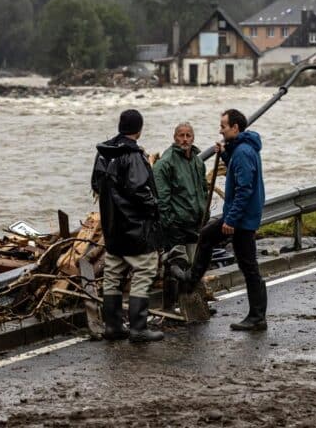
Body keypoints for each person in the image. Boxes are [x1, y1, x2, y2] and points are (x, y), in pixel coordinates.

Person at [182, 109, 267, 331]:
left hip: (241, 219)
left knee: (245, 263)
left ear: (235, 128)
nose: (220, 130)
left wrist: (231, 219)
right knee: (244, 262)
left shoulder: (243, 152)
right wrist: (226, 153)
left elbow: (244, 189)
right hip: (243, 216)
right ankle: (257, 316)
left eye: (223, 126)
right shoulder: (241, 149)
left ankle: (190, 281)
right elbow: (238, 172)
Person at [91, 109, 164, 342]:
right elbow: (139, 190)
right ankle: (139, 328)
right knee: (144, 271)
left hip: (112, 227)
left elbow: (96, 184)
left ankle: (113, 326)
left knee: (113, 274)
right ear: (139, 130)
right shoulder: (133, 156)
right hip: (135, 228)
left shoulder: (104, 154)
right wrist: (155, 207)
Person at [153, 122, 208, 300]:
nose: (185, 139)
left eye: (188, 135)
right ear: (174, 137)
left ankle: (191, 303)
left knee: (193, 266)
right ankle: (170, 305)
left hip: (195, 223)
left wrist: (204, 212)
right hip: (176, 224)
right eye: (181, 135)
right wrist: (169, 222)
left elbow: (202, 189)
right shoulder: (165, 163)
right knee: (176, 265)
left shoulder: (198, 161)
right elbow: (162, 197)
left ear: (193, 137)